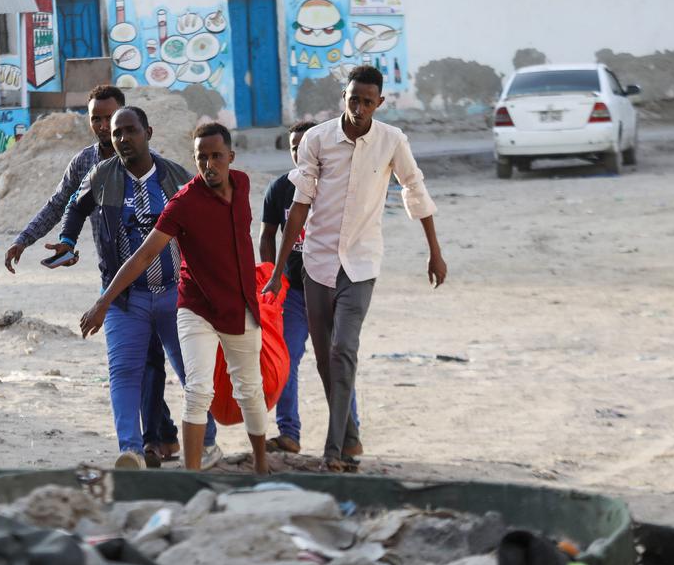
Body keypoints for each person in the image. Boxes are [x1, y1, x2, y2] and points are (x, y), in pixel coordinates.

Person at [264, 65, 448, 472]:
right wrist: (278, 269)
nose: (360, 108)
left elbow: (414, 189)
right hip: (316, 263)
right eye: (353, 99)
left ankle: (333, 450)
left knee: (343, 349)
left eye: (368, 101)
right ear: (343, 98)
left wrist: (434, 250)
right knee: (325, 359)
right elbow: (299, 206)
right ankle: (351, 438)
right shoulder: (317, 139)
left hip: (361, 263)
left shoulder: (391, 141)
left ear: (379, 103)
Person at [4, 86, 181, 465]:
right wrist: (33, 240)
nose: (105, 128)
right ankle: (151, 439)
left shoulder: (159, 170)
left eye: (111, 120)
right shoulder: (87, 166)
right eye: (96, 120)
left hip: (160, 280)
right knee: (132, 364)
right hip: (116, 279)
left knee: (155, 361)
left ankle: (156, 437)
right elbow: (62, 206)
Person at [81, 122, 269, 475]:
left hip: (239, 305)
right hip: (195, 307)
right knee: (197, 389)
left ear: (231, 157)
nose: (209, 164)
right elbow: (143, 256)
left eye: (216, 156)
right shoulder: (182, 203)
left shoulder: (242, 184)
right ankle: (190, 474)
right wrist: (104, 301)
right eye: (202, 157)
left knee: (250, 391)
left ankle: (261, 466)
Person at [60, 107, 220, 470]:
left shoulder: (175, 177)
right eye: (116, 134)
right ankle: (130, 450)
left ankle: (208, 444)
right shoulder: (101, 176)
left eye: (130, 131)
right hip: (123, 299)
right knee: (123, 372)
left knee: (190, 372)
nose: (122, 139)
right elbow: (74, 208)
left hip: (175, 294)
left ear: (148, 132)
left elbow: (206, 226)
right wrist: (67, 241)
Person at [259, 120, 358, 455]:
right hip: (295, 295)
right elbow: (266, 236)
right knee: (285, 359)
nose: (299, 152)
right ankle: (289, 433)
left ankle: (347, 436)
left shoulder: (339, 187)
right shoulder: (279, 188)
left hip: (331, 291)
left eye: (305, 145)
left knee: (336, 361)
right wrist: (273, 277)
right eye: (293, 147)